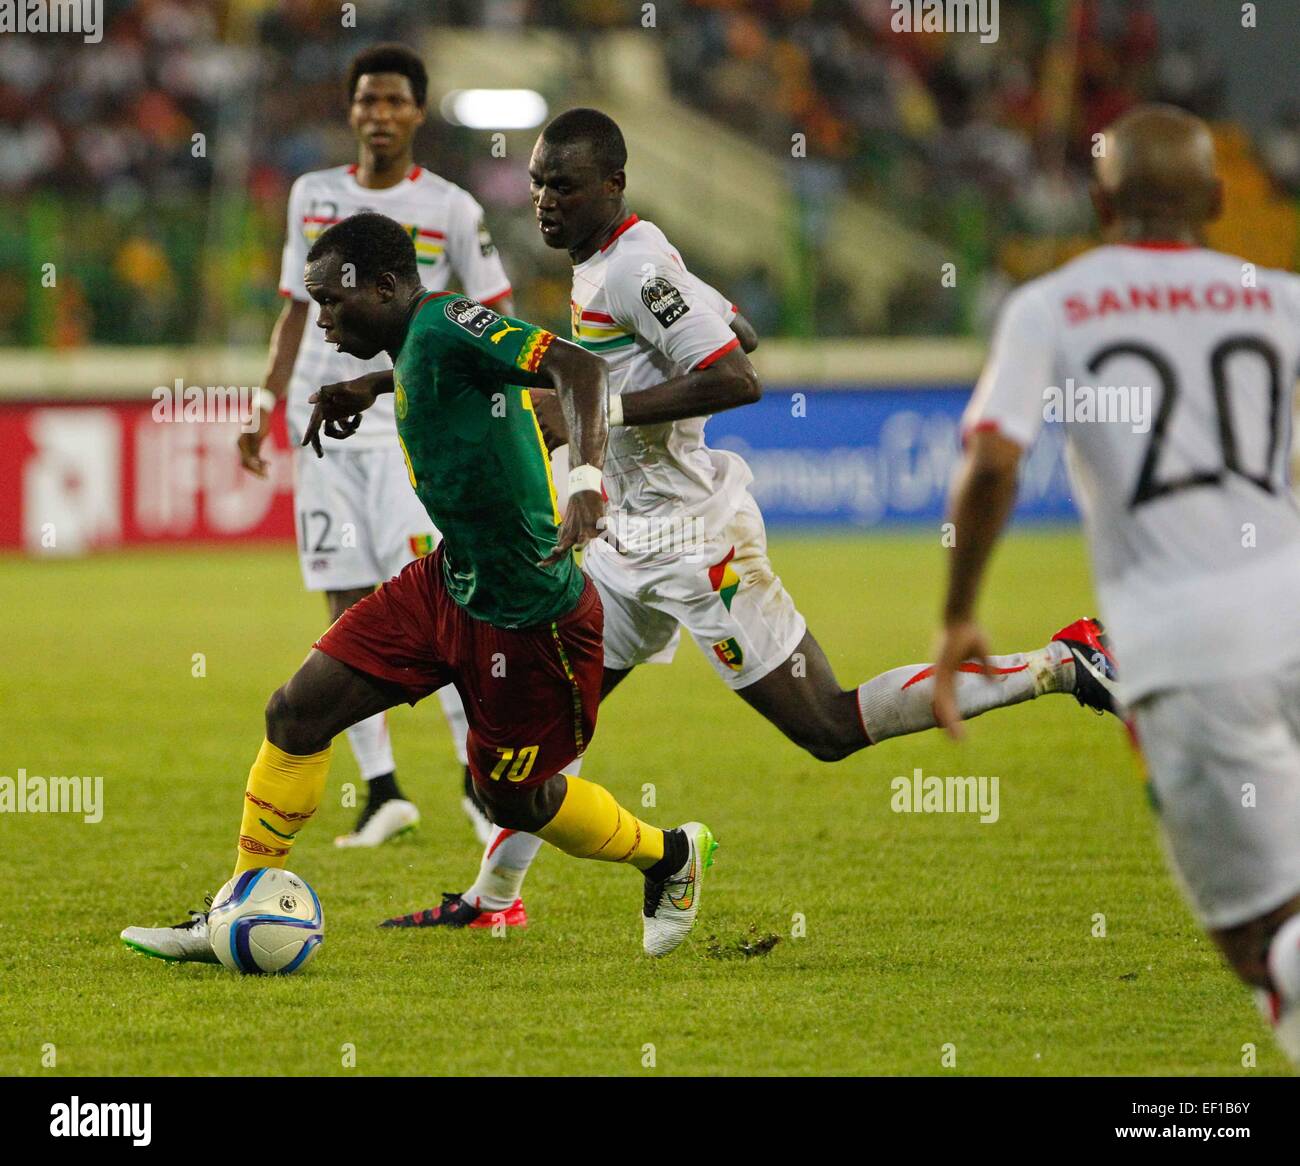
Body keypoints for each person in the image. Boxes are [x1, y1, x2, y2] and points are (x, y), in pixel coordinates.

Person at [379, 108, 1118, 931]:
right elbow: (740, 325)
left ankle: (1062, 661)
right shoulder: (619, 260)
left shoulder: (630, 268)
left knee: (828, 726)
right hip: (624, 546)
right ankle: (492, 902)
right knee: (556, 720)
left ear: (613, 185)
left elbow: (736, 376)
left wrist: (604, 407)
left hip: (697, 544)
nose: (544, 199)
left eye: (565, 184)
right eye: (539, 182)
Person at [121, 212, 717, 962]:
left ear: (389, 285)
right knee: (296, 712)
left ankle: (668, 857)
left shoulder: (446, 323)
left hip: (529, 613)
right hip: (445, 581)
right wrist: (371, 384)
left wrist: (588, 482)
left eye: (334, 300)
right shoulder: (415, 342)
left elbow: (581, 369)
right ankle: (232, 909)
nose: (323, 318)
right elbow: (437, 369)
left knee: (515, 799)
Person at [932, 104, 1300, 1067]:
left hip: (1187, 646)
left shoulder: (1054, 305)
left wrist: (961, 610)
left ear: (1099, 204)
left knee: (1257, 938)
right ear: (1220, 199)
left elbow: (994, 459)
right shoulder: (1281, 298)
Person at [240, 44, 514, 847]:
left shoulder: (455, 209)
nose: (380, 114)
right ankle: (383, 790)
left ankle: (476, 778)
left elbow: (488, 311)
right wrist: (264, 401)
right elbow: (295, 308)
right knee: (341, 592)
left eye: (395, 101)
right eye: (367, 101)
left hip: (404, 420)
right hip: (318, 419)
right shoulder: (312, 195)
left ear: (418, 112)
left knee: (429, 592)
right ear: (351, 109)